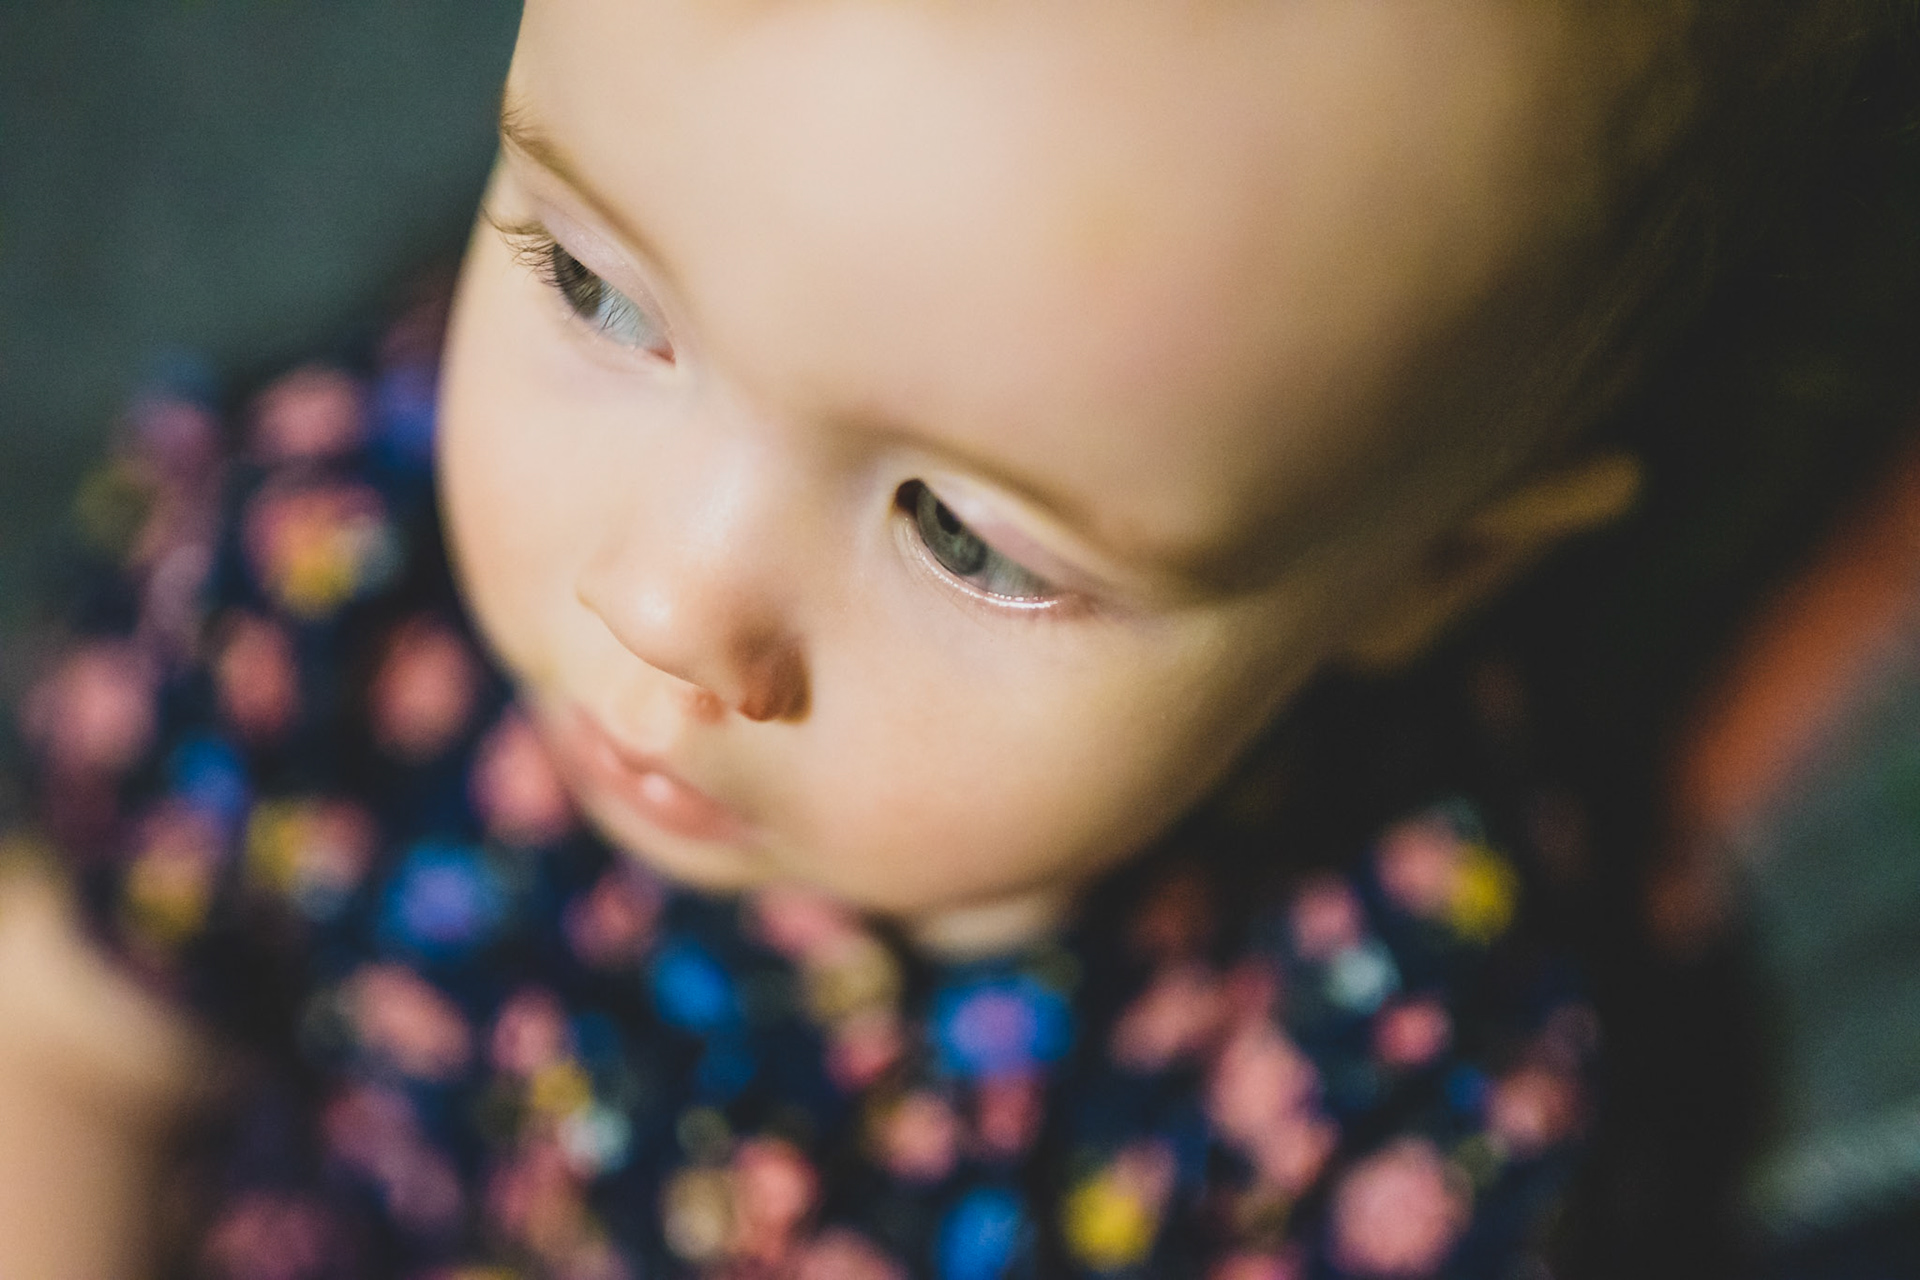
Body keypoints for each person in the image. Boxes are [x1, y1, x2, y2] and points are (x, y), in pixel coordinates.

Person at [0, 2, 1902, 1276]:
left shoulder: (1399, 1071)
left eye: (968, 540)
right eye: (594, 289)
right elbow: (63, 1041)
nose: (660, 602)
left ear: (1432, 571)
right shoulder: (343, 576)